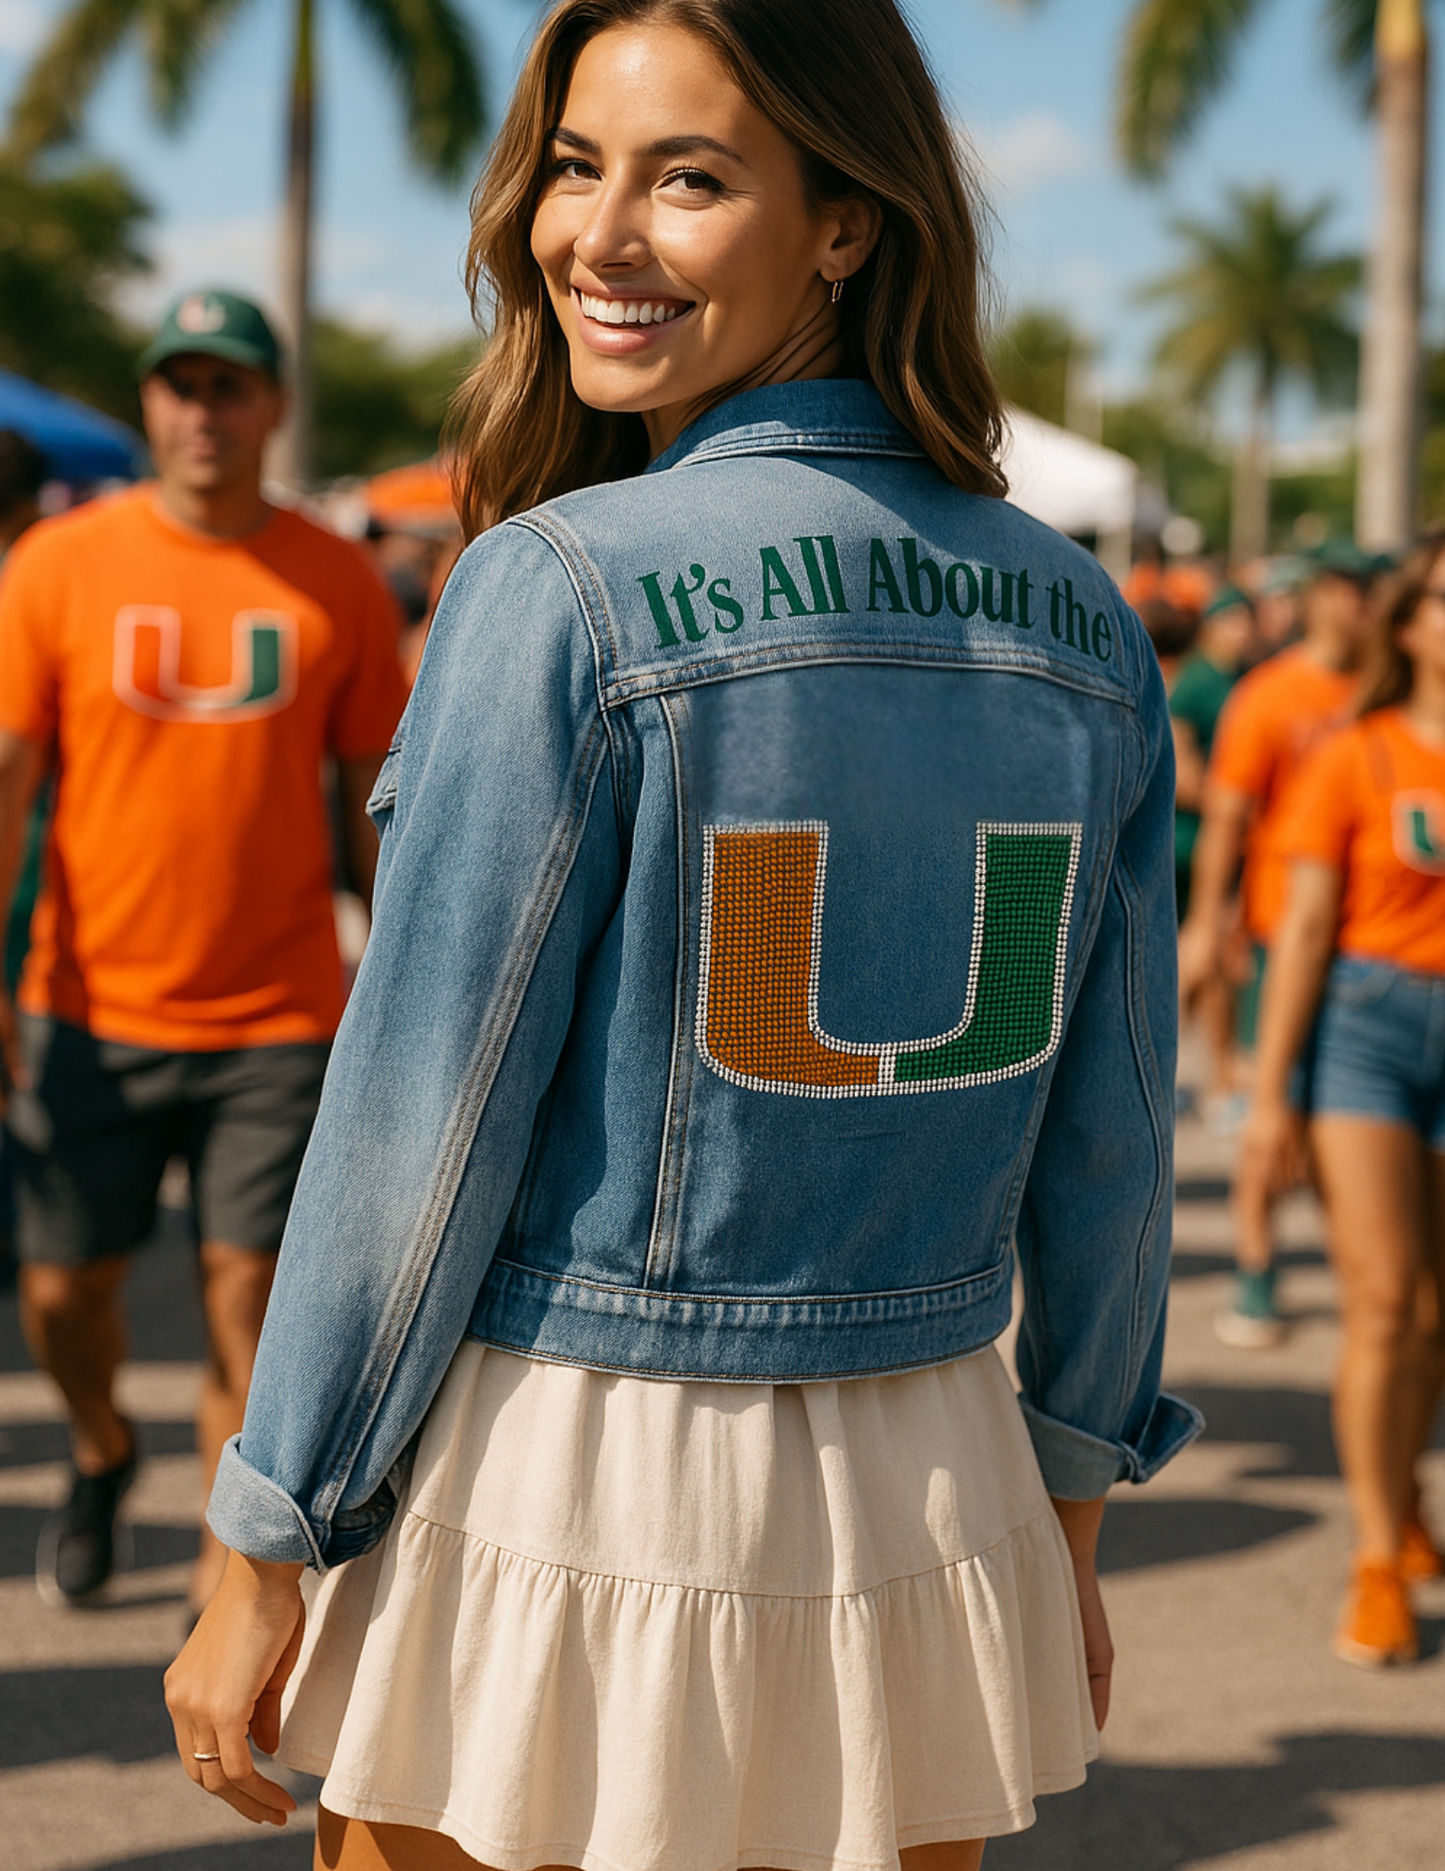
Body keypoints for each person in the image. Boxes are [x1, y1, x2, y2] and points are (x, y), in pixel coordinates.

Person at [164, 7, 1199, 1869]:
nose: (597, 234)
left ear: (845, 222)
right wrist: (1069, 1504)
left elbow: (424, 1118)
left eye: (691, 176)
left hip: (575, 1471)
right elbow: (1117, 1141)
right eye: (577, 165)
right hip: (933, 1483)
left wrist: (272, 1526)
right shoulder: (1085, 617)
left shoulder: (559, 582)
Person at [0, 290, 408, 1616]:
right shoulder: (57, 567)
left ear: (272, 405)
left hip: (278, 1014)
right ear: (148, 405)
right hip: (88, 1003)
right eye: (178, 385)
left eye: (229, 385)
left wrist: (405, 996)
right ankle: (105, 1447)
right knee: (65, 1291)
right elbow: (9, 778)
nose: (202, 411)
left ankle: (228, 1567)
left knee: (248, 1295)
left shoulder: (334, 576)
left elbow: (368, 806)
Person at [1242, 538, 1445, 1665]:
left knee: (1434, 1317)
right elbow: (1304, 930)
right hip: (1365, 1032)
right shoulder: (1349, 754)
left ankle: (1404, 1492)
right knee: (1380, 1300)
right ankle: (1375, 1556)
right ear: (1408, 623)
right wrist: (1269, 1091)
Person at [1180, 542, 1376, 1346]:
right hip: (1277, 933)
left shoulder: (1390, 689)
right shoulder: (1271, 693)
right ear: (1322, 595)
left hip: (1371, 947)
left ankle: (1365, 1266)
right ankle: (1257, 1265)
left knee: (1352, 1119)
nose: (1364, 605)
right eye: (1352, 589)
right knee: (1273, 1105)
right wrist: (1208, 917)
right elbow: (1226, 814)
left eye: (1375, 590)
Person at [1170, 586, 1256, 1112]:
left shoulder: (1245, 679)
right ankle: (1212, 1077)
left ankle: (1221, 1076)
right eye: (1233, 621)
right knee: (1203, 956)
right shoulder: (1197, 683)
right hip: (1192, 841)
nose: (1242, 631)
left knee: (1218, 961)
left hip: (1225, 838)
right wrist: (1232, 804)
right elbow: (1179, 766)